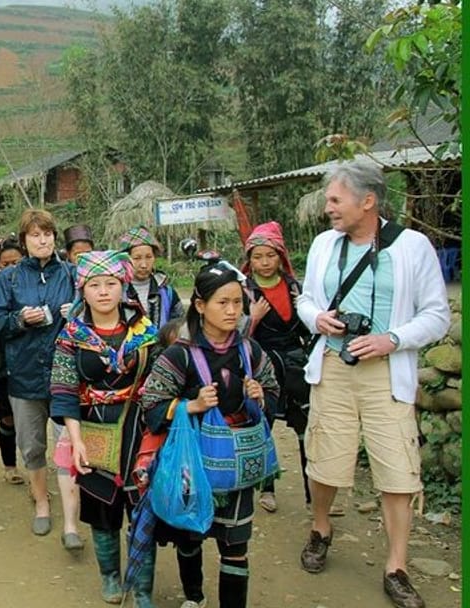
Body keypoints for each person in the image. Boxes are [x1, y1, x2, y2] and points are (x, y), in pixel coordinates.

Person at [295, 161, 449, 608]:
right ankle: (321, 528)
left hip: (386, 371)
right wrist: (317, 317)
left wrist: (391, 339)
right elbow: (306, 297)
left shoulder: (412, 246)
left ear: (368, 201)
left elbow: (437, 314)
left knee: (397, 467)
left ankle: (396, 566)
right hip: (333, 364)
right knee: (325, 457)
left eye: (335, 200)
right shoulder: (325, 245)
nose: (328, 209)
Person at [141, 262, 279, 608]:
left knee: (236, 545)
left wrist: (260, 397)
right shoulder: (179, 355)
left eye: (237, 302)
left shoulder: (250, 351)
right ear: (200, 306)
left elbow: (274, 393)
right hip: (194, 464)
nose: (233, 311)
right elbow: (152, 405)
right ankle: (194, 598)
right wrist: (191, 406)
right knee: (190, 537)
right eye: (223, 303)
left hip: (238, 466)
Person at [49, 250, 160, 606]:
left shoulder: (145, 331)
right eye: (94, 284)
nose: (103, 292)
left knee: (142, 509)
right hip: (93, 429)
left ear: (123, 285)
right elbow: (64, 390)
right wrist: (75, 440)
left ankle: (142, 589)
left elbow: (162, 381)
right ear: (82, 290)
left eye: (110, 283)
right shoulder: (71, 335)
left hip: (140, 429)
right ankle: (110, 576)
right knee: (102, 509)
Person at [0, 209, 82, 548]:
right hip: (23, 374)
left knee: (69, 443)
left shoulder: (72, 274)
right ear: (24, 241)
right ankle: (41, 500)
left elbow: (102, 310)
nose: (43, 240)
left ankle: (71, 521)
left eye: (48, 234)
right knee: (32, 444)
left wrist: (78, 314)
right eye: (35, 235)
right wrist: (19, 319)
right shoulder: (8, 279)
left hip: (66, 375)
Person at [240, 221, 312, 513]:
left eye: (270, 256)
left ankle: (312, 494)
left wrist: (305, 308)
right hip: (263, 365)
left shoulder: (296, 288)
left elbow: (309, 330)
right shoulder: (245, 292)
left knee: (305, 429)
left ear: (280, 256)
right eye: (257, 257)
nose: (264, 262)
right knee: (262, 425)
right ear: (249, 261)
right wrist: (253, 317)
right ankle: (266, 488)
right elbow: (234, 336)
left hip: (296, 365)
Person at [0, 237, 24, 484]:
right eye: (5, 262)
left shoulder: (34, 285)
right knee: (7, 417)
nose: (10, 267)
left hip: (28, 361)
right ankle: (9, 466)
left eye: (16, 262)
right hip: (0, 362)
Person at [119, 225, 184, 326]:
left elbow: (179, 324)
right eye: (137, 258)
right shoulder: (117, 291)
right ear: (125, 260)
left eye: (149, 257)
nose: (144, 265)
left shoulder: (167, 292)